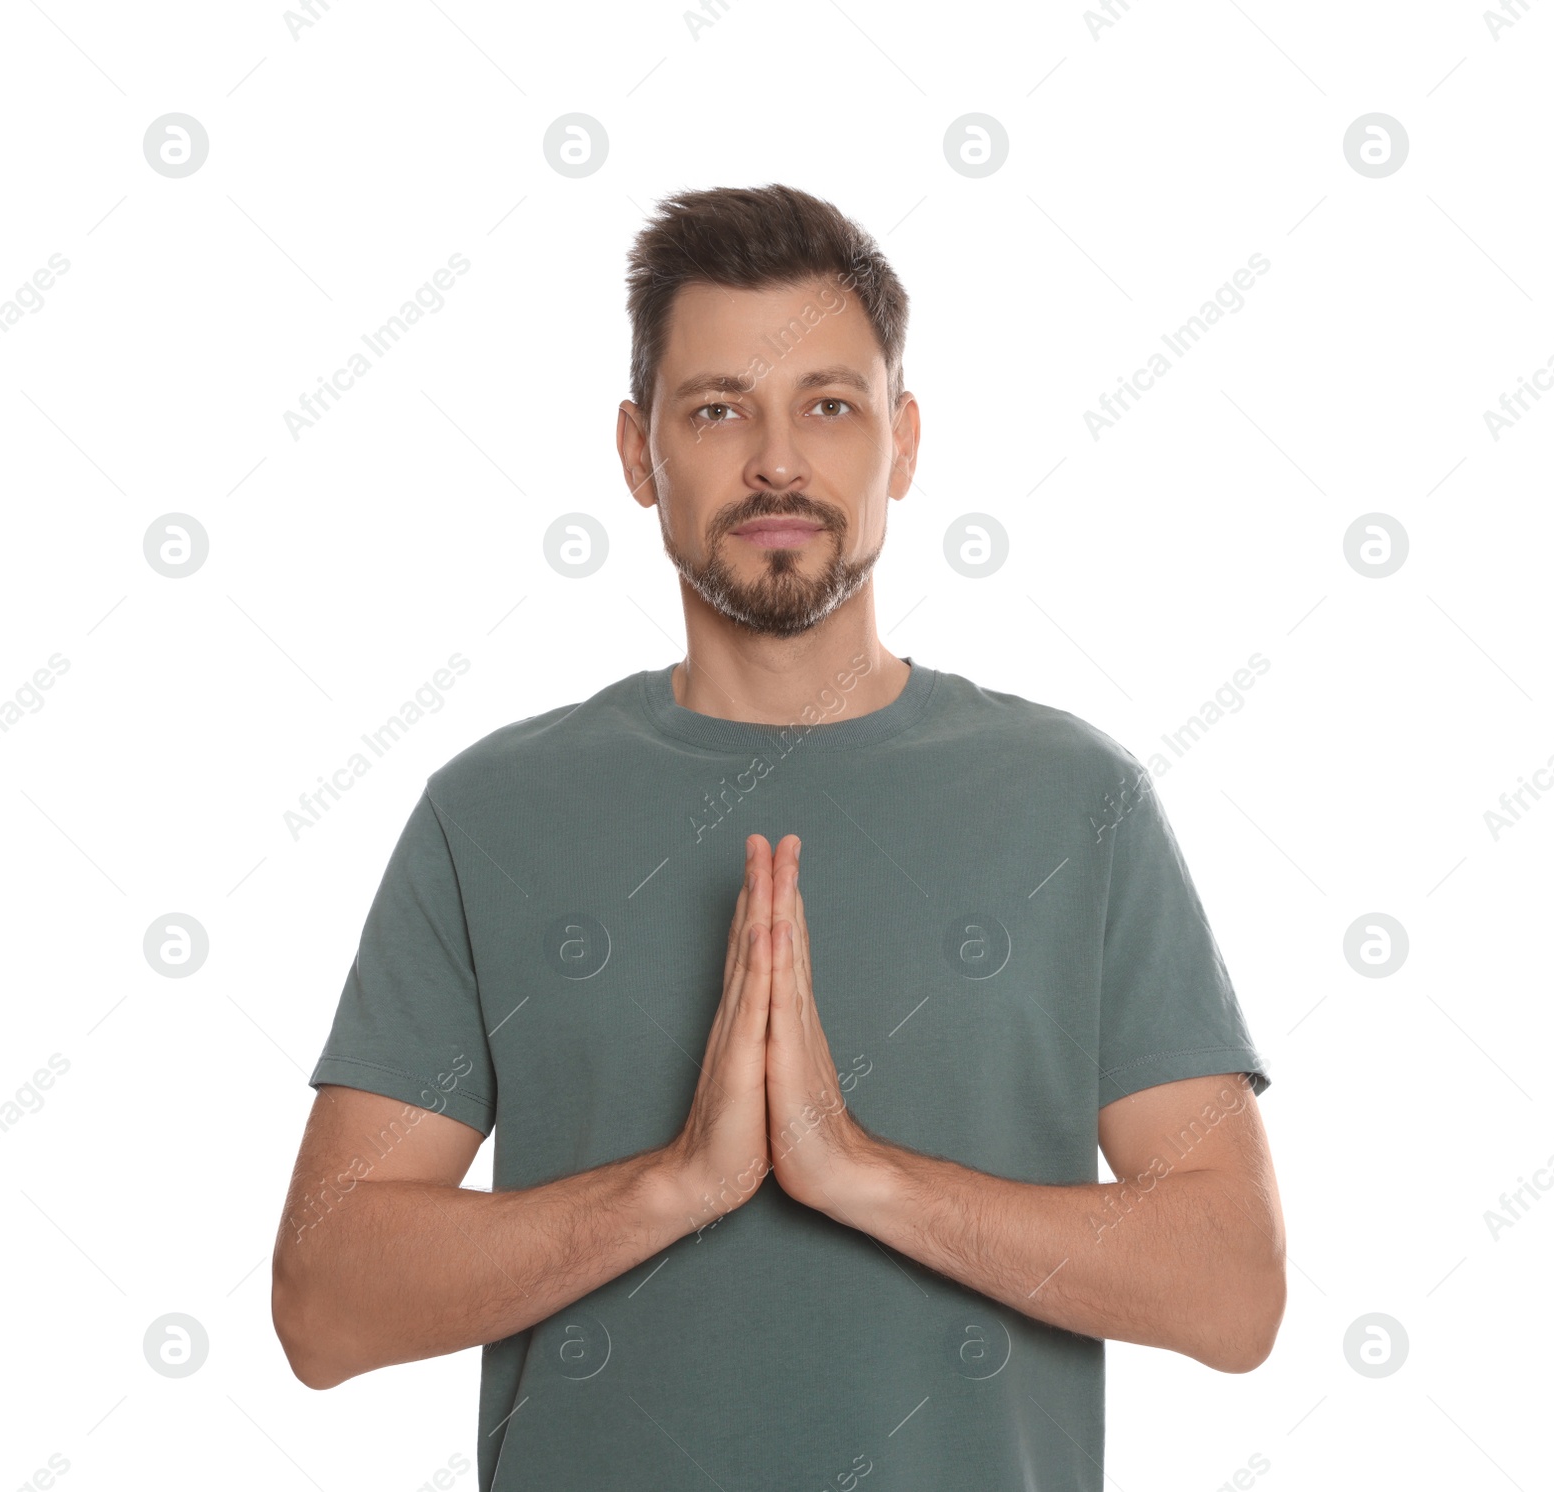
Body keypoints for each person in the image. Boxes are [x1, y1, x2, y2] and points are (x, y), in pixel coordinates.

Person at [271, 182, 1285, 1492]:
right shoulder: (494, 812)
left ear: (901, 444)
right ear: (638, 455)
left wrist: (860, 1179)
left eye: (829, 404)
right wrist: (677, 1186)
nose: (777, 462)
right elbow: (327, 1307)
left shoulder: (1071, 802)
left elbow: (1233, 1291)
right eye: (716, 410)